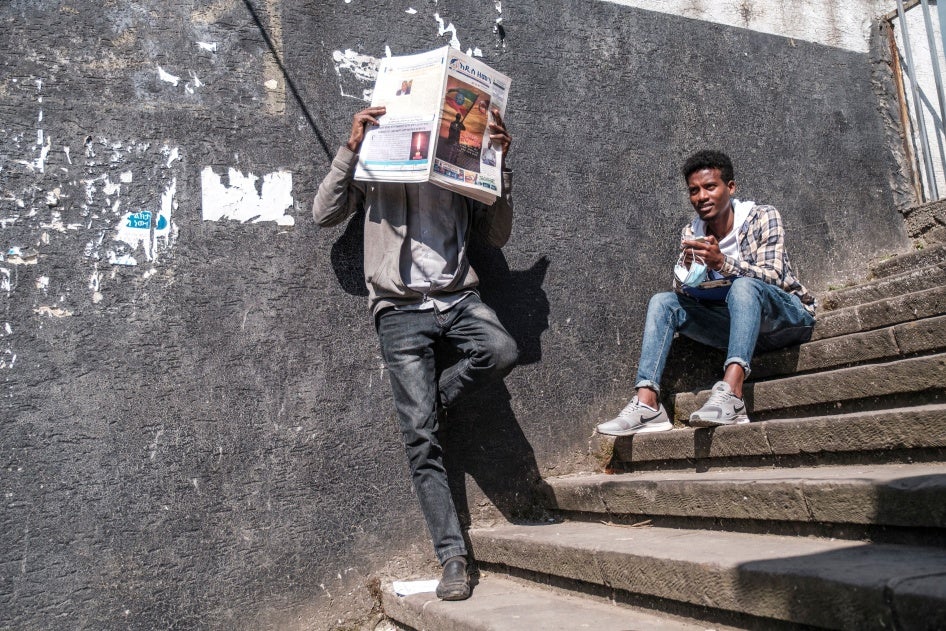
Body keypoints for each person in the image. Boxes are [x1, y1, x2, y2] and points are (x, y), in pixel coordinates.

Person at [312, 105, 517, 600]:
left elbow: (497, 235)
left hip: (457, 297)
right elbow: (324, 214)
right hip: (400, 309)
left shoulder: (458, 162)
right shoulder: (379, 161)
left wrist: (497, 164)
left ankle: (432, 403)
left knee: (501, 349)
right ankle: (452, 557)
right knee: (421, 441)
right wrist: (351, 147)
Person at [597, 150, 816, 435]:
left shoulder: (763, 216)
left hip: (787, 321)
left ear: (731, 187)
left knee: (744, 286)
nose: (701, 197)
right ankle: (648, 404)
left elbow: (774, 277)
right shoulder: (692, 232)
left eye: (710, 187)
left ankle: (732, 395)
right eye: (694, 190)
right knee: (663, 302)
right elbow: (683, 292)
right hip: (737, 331)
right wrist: (689, 274)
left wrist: (722, 263)